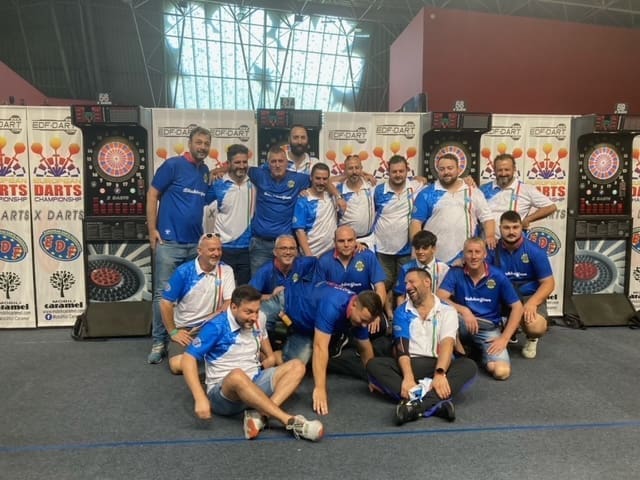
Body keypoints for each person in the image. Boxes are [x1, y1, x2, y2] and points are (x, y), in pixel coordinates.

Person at [182, 285, 324, 441]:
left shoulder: (258, 319)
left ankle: (261, 416)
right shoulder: (215, 327)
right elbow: (188, 358)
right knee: (237, 375)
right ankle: (289, 421)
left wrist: (270, 356)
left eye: (256, 311)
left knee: (297, 366)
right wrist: (199, 397)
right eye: (248, 312)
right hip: (224, 395)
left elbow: (263, 337)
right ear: (233, 307)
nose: (254, 317)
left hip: (254, 381)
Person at [367, 268, 477, 425]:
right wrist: (408, 377)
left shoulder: (447, 311)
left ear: (427, 282)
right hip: (409, 364)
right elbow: (402, 349)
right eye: (406, 283)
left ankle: (414, 405)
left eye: (412, 282)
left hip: (438, 364)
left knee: (469, 366)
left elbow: (447, 344)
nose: (407, 287)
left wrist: (440, 373)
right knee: (373, 365)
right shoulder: (401, 311)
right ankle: (435, 405)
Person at [260, 280, 383, 415]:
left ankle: (269, 356)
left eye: (367, 322)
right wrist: (320, 388)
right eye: (363, 320)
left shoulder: (361, 317)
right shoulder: (333, 305)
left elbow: (365, 348)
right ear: (354, 304)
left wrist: (373, 378)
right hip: (286, 301)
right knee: (252, 322)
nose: (364, 325)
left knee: (292, 365)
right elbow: (320, 347)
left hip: (306, 326)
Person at [146, 126, 215, 364]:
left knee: (188, 295)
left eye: (206, 144)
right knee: (163, 294)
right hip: (169, 242)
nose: (202, 147)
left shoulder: (204, 172)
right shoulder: (172, 165)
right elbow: (152, 194)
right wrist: (152, 230)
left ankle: (181, 337)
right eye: (199, 142)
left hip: (194, 245)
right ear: (190, 143)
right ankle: (159, 342)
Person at [248, 145, 344, 276]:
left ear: (287, 163)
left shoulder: (299, 179)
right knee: (258, 285)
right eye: (273, 161)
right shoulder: (259, 174)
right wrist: (220, 170)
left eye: (281, 161)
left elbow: (323, 180)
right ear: (267, 163)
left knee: (288, 285)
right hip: (261, 246)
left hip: (287, 247)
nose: (277, 165)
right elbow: (239, 167)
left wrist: (338, 196)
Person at [437, 237, 523, 380]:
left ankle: (479, 354)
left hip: (487, 328)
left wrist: (504, 338)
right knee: (446, 315)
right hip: (461, 323)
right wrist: (464, 310)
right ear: (464, 254)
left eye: (478, 252)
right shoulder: (456, 272)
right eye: (469, 252)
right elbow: (439, 297)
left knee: (501, 372)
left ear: (485, 254)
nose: (473, 256)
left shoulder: (497, 276)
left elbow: (517, 307)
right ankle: (456, 352)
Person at [161, 234, 235, 374]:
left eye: (219, 249)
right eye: (211, 250)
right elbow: (165, 303)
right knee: (177, 365)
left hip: (214, 326)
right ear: (199, 251)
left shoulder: (226, 270)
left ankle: (204, 363)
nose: (217, 253)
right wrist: (173, 332)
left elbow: (229, 302)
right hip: (187, 330)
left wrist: (214, 315)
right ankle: (212, 364)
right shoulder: (183, 271)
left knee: (239, 354)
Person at [487, 210, 554, 359]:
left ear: (521, 228)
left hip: (527, 295)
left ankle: (531, 338)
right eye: (506, 227)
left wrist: (532, 303)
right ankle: (505, 326)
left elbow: (548, 283)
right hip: (502, 295)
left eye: (515, 227)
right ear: (500, 228)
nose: (511, 232)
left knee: (535, 326)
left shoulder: (535, 251)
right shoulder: (491, 250)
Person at [410, 153, 496, 264]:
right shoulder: (426, 193)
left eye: (450, 168)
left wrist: (490, 235)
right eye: (442, 169)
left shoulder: (473, 191)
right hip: (435, 257)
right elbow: (416, 222)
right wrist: (417, 247)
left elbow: (487, 218)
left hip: (466, 256)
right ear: (437, 171)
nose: (446, 172)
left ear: (458, 169)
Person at [318, 225, 388, 358]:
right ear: (334, 242)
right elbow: (319, 292)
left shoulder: (367, 256)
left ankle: (348, 340)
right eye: (341, 241)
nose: (346, 245)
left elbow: (380, 287)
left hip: (364, 310)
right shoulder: (324, 261)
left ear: (356, 240)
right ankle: (350, 340)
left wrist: (375, 314)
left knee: (379, 327)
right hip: (338, 312)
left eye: (350, 240)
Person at [372, 155, 427, 317]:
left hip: (406, 249)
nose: (398, 175)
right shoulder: (378, 191)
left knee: (402, 285)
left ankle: (399, 316)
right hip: (382, 248)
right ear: (388, 172)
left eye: (401, 171)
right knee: (384, 283)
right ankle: (381, 316)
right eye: (394, 171)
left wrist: (467, 180)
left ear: (407, 171)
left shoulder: (416, 186)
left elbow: (438, 183)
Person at [209, 144, 253, 285]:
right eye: (237, 162)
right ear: (228, 163)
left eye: (244, 162)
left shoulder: (254, 182)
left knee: (244, 292)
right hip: (223, 248)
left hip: (247, 248)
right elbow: (203, 209)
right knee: (222, 291)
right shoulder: (217, 184)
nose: (242, 166)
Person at [480, 153, 557, 235]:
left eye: (507, 170)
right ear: (494, 170)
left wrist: (528, 219)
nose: (503, 173)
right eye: (500, 170)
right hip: (487, 241)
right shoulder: (483, 189)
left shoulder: (525, 189)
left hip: (513, 240)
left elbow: (551, 207)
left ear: (514, 169)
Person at [293, 163, 338, 257]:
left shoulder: (331, 196)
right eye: (318, 178)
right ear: (311, 178)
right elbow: (299, 231)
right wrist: (309, 255)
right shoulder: (303, 200)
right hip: (312, 254)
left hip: (331, 255)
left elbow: (344, 177)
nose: (321, 182)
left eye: (324, 179)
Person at [395, 230, 449, 305]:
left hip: (437, 308)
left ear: (433, 249)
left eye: (424, 248)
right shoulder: (406, 268)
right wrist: (401, 311)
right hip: (412, 308)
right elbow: (401, 296)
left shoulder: (444, 268)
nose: (420, 252)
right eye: (417, 248)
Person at [335, 154, 376, 248]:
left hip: (368, 239)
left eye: (357, 168)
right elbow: (327, 181)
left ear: (361, 169)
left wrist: (364, 174)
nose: (354, 171)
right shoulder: (338, 190)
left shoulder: (370, 186)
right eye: (350, 168)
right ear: (344, 170)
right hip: (346, 242)